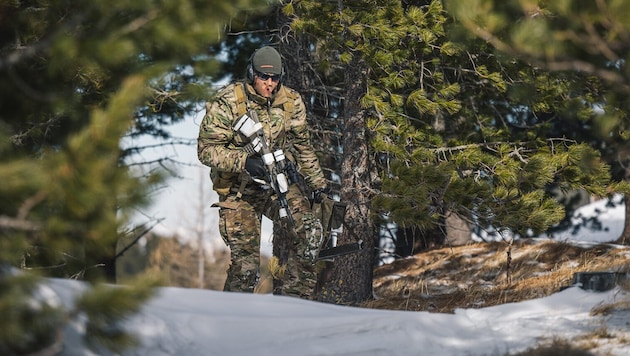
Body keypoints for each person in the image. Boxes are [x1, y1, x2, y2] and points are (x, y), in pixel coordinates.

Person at [197, 46, 328, 297]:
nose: (269, 83)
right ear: (251, 73)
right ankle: (232, 320)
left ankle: (292, 307)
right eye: (263, 76)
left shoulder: (291, 102)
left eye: (275, 77)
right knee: (246, 269)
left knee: (310, 234)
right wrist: (244, 162)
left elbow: (302, 146)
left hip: (275, 185)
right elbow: (206, 150)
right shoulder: (227, 101)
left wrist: (319, 185)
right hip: (238, 192)